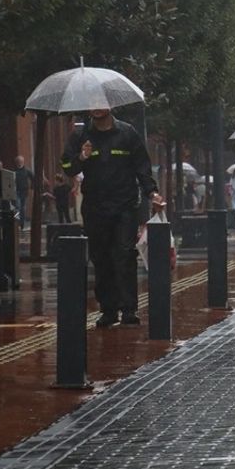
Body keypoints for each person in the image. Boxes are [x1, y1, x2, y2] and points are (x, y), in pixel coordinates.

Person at [61, 108, 163, 328]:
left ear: (110, 106)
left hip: (124, 206)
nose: (97, 107)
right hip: (95, 208)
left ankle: (129, 309)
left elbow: (142, 168)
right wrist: (81, 157)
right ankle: (108, 309)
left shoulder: (127, 133)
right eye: (93, 104)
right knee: (101, 257)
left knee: (125, 254)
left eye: (102, 103)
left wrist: (152, 193)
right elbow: (67, 167)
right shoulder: (81, 136)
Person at [13, 155, 33, 227]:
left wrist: (32, 186)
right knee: (17, 206)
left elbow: (32, 177)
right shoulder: (14, 171)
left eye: (21, 161)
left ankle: (22, 223)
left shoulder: (27, 170)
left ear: (23, 162)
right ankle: (17, 221)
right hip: (16, 191)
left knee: (23, 207)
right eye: (18, 161)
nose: (20, 163)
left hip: (24, 191)